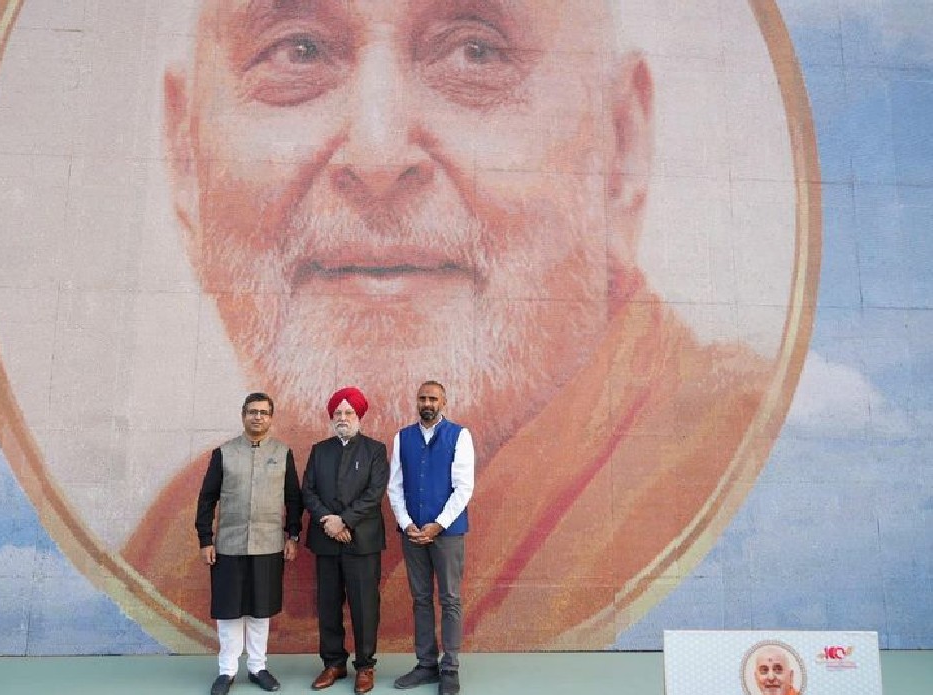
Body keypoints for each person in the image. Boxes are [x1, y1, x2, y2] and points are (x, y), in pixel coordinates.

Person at [123, 0, 774, 651]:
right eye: (298, 51)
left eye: (476, 51)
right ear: (187, 164)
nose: (377, 156)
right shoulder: (177, 550)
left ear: (622, 146)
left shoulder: (744, 473)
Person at [195, 393, 303, 695]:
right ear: (243, 415)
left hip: (269, 544)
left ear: (271, 418)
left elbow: (293, 499)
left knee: (260, 610)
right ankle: (227, 670)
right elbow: (207, 499)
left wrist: (292, 535)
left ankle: (258, 667)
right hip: (229, 544)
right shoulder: (224, 453)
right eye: (253, 412)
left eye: (264, 413)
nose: (258, 417)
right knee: (229, 610)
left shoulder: (283, 453)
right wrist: (206, 539)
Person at [388, 381, 474, 695]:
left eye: (433, 398)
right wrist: (407, 524)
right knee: (420, 598)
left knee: (449, 598)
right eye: (423, 398)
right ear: (416, 402)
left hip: (447, 533)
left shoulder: (459, 436)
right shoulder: (403, 438)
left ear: (444, 402)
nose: (427, 403)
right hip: (413, 534)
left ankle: (449, 668)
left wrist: (438, 524)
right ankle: (426, 664)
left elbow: (463, 487)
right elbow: (394, 486)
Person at [301, 387, 390, 695]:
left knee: (365, 606)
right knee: (328, 605)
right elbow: (308, 491)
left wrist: (345, 520)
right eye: (337, 413)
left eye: (348, 412)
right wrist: (329, 521)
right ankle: (334, 663)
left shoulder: (375, 451)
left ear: (359, 415)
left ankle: (365, 666)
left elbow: (374, 493)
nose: (342, 418)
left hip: (361, 541)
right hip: (327, 541)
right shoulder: (319, 450)